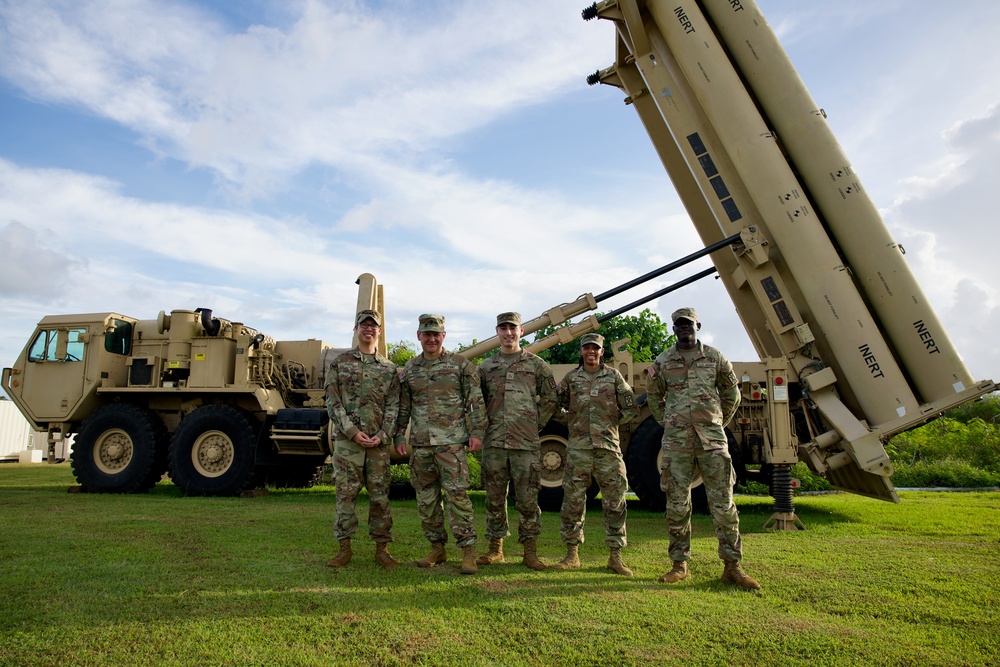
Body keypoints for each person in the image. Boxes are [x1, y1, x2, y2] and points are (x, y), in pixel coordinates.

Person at [647, 307, 760, 591]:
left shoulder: (714, 357)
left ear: (698, 325)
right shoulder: (664, 361)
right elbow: (654, 396)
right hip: (677, 443)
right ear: (674, 329)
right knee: (676, 503)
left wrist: (717, 420)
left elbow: (731, 392)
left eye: (688, 324)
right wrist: (670, 422)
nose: (684, 328)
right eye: (679, 325)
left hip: (712, 441)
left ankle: (732, 567)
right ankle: (679, 565)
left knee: (723, 503)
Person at [394, 313, 487, 575]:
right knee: (426, 499)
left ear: (443, 336)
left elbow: (475, 400)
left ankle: (468, 550)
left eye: (436, 334)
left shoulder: (460, 365)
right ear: (419, 336)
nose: (432, 338)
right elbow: (404, 407)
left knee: (458, 497)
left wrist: (477, 432)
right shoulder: (410, 369)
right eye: (427, 333)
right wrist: (399, 435)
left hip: (451, 444)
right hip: (421, 444)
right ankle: (437, 547)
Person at [476, 312, 558, 571]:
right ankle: (495, 550)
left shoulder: (536, 365)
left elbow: (550, 399)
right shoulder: (486, 367)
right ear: (497, 332)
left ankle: (530, 552)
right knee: (494, 498)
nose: (508, 333)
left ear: (521, 331)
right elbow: (477, 403)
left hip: (525, 444)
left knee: (527, 499)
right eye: (503, 328)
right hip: (495, 444)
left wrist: (535, 424)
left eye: (513, 328)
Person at [551, 332, 637, 576]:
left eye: (595, 348)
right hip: (579, 449)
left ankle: (615, 557)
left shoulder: (613, 376)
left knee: (615, 502)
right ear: (581, 351)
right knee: (573, 502)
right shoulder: (571, 379)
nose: (591, 352)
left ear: (601, 352)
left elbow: (630, 406)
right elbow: (555, 404)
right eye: (587, 348)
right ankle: (571, 555)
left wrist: (612, 422)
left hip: (608, 449)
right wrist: (571, 421)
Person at [324, 309, 401, 570]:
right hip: (348, 444)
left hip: (377, 446)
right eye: (364, 325)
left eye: (373, 326)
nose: (369, 329)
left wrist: (382, 435)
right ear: (356, 329)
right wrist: (352, 432)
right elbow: (332, 402)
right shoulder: (340, 363)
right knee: (345, 497)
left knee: (380, 498)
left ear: (379, 331)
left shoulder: (389, 369)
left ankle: (382, 550)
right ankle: (344, 549)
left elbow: (394, 406)